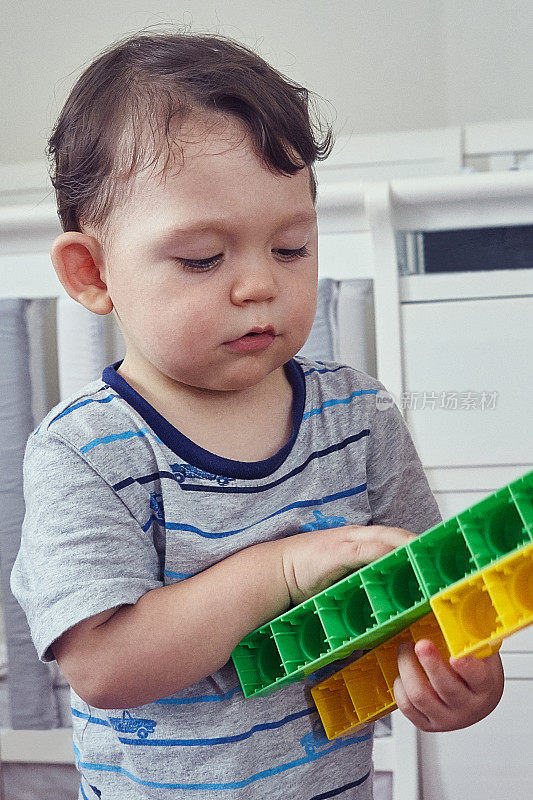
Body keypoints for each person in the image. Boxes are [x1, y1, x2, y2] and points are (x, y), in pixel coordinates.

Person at [11, 29, 504, 800]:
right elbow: (103, 668)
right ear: (92, 271)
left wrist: (463, 680)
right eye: (203, 258)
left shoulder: (359, 419)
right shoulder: (86, 450)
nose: (257, 286)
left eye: (290, 248)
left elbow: (421, 597)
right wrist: (277, 569)